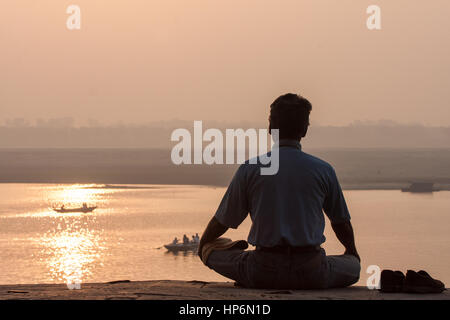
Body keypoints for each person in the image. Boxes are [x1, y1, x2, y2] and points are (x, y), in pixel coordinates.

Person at [198, 93, 360, 289]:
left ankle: (235, 259)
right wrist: (351, 251)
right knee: (353, 265)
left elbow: (222, 221)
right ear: (304, 129)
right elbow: (341, 222)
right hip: (312, 272)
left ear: (270, 128)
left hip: (262, 270)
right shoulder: (323, 170)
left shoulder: (250, 169)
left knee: (210, 248)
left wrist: (203, 245)